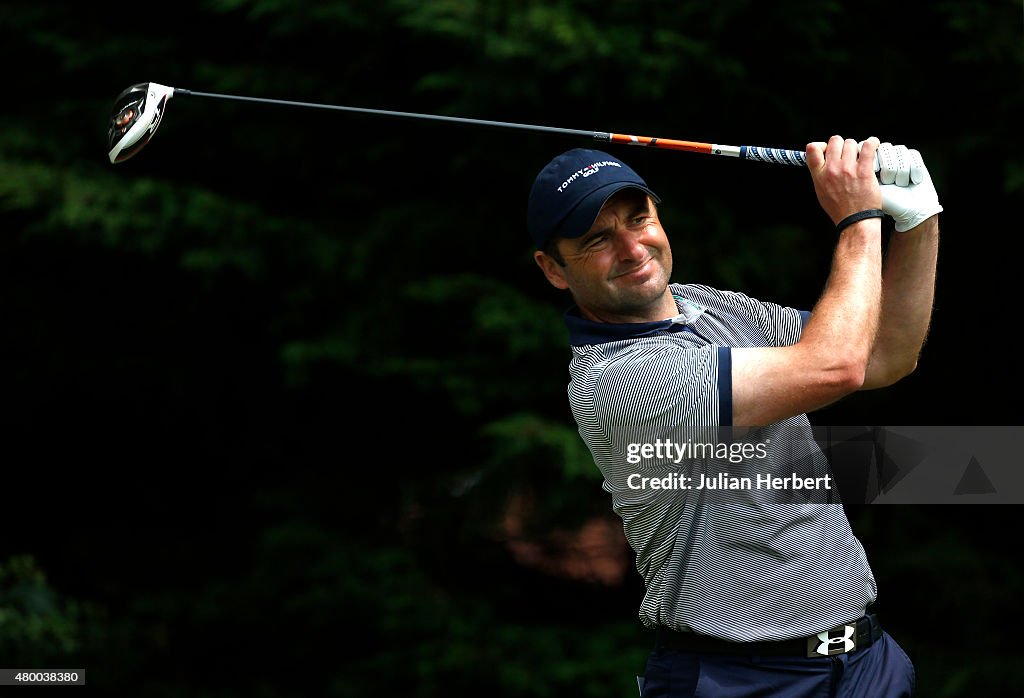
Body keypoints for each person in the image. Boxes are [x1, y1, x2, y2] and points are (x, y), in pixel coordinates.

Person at [527, 137, 941, 697]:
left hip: (865, 665)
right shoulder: (619, 380)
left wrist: (918, 221)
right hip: (737, 679)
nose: (631, 247)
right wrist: (860, 217)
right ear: (553, 269)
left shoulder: (713, 307)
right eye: (597, 239)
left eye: (638, 218)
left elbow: (885, 355)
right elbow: (834, 367)